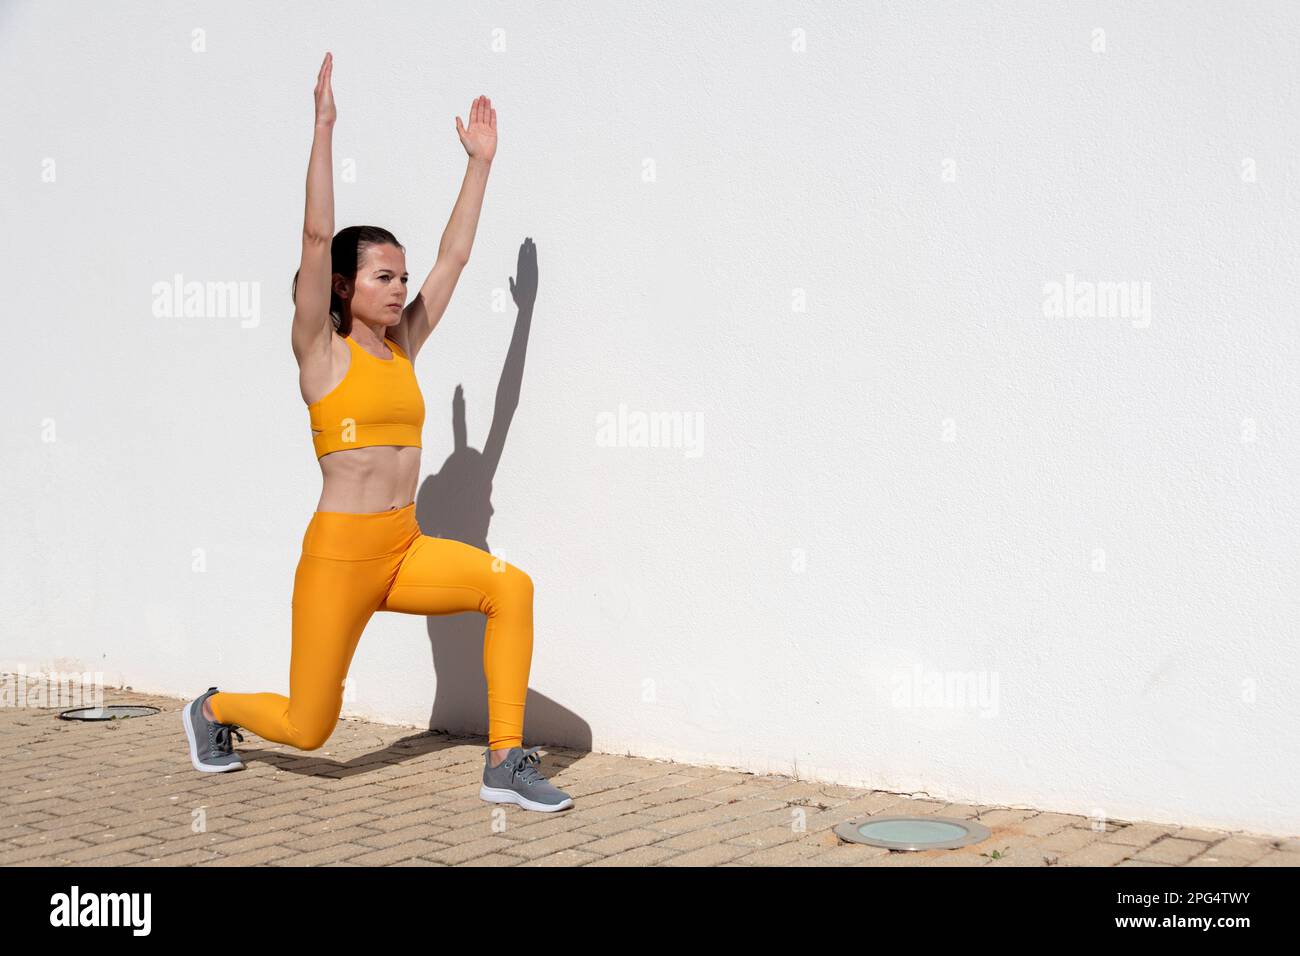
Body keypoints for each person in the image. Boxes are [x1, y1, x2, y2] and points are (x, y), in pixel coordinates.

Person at [180, 52, 571, 813]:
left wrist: (481, 168)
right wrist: (323, 127)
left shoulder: (403, 347)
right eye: (383, 277)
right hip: (339, 558)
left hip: (404, 547)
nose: (399, 289)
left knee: (510, 588)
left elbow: (454, 259)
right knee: (308, 726)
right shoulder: (320, 355)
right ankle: (212, 710)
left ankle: (503, 761)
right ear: (342, 286)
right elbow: (316, 231)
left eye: (400, 277)